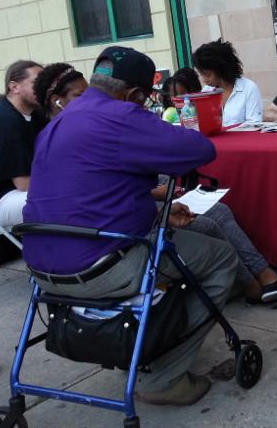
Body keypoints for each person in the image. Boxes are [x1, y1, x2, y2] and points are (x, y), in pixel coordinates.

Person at [22, 46, 238, 406]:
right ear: (137, 95)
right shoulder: (121, 115)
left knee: (187, 242)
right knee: (220, 260)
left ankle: (150, 347)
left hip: (41, 267)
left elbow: (90, 194)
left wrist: (156, 212)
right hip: (103, 264)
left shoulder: (56, 122)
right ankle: (164, 379)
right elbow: (198, 150)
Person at [0, 60, 45, 227]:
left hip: (12, 192)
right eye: (37, 82)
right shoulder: (6, 121)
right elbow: (24, 184)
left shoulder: (34, 114)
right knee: (65, 196)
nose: (45, 87)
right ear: (14, 87)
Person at [192, 39, 262, 125]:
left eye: (208, 75)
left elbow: (255, 124)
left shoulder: (248, 88)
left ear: (221, 70)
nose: (204, 80)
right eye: (201, 74)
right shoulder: (206, 91)